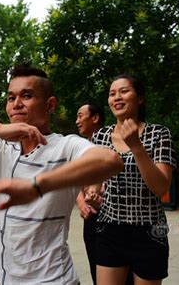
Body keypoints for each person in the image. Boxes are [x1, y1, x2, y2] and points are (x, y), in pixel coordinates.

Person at [0, 64, 123, 284]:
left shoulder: (65, 146)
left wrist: (36, 186)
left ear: (50, 104)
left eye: (27, 96)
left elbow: (111, 161)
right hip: (1, 275)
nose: (16, 104)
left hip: (49, 278)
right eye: (11, 98)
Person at [92, 75, 176, 285]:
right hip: (109, 227)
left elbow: (161, 187)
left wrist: (136, 147)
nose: (117, 98)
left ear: (140, 98)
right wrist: (91, 192)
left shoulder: (159, 134)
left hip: (149, 230)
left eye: (124, 91)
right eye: (112, 94)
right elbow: (94, 176)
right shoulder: (100, 136)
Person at [75, 102, 105, 285]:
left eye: (80, 116)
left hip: (113, 217)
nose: (77, 121)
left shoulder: (112, 144)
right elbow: (75, 182)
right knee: (96, 270)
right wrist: (82, 203)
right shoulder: (79, 147)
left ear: (95, 118)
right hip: (91, 218)